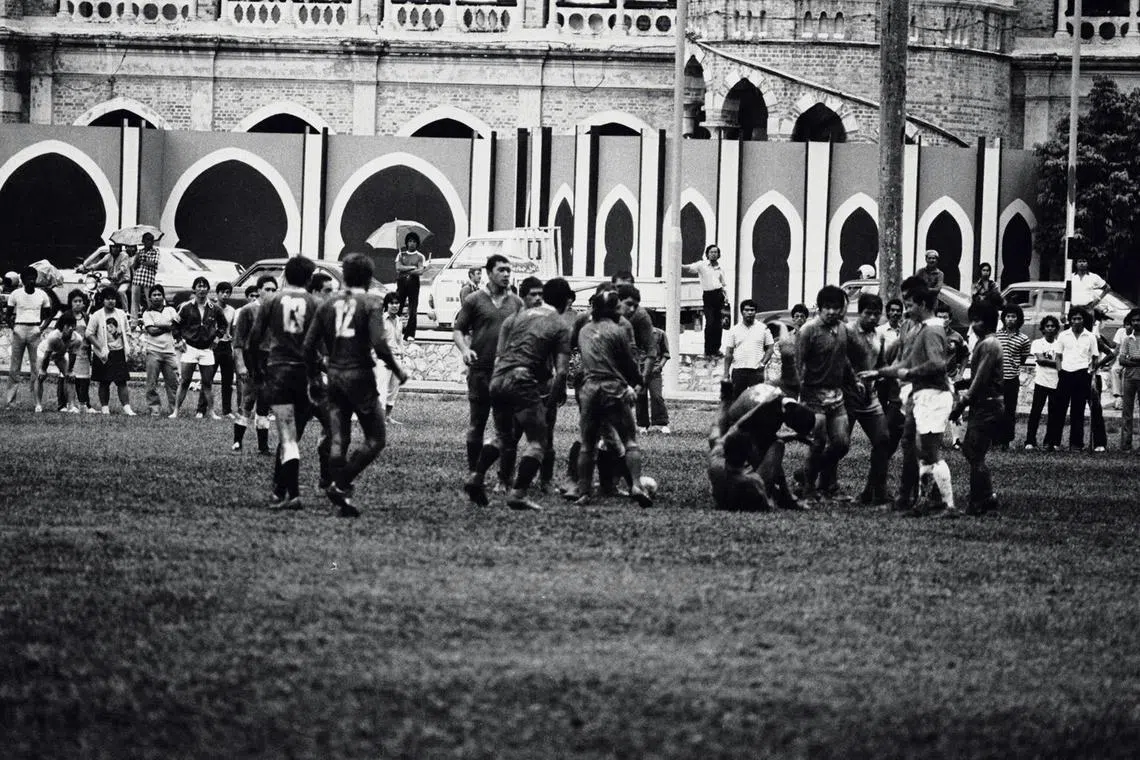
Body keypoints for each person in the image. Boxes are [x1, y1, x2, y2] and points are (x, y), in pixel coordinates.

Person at [303, 253, 407, 518]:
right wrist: (397, 368)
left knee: (340, 437)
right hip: (359, 375)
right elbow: (380, 343)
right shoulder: (371, 301)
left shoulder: (328, 304)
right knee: (376, 438)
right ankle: (341, 482)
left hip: (335, 376)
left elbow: (308, 345)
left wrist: (315, 377)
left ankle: (337, 492)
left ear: (345, 275)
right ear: (369, 277)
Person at [464, 277, 574, 511]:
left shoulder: (520, 316)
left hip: (498, 378)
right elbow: (562, 370)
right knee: (538, 441)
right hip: (522, 379)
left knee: (503, 437)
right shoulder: (560, 323)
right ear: (566, 301)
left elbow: (503, 351)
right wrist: (551, 401)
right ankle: (518, 493)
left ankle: (476, 477)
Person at [860, 276, 955, 516]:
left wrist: (908, 373)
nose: (907, 310)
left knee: (928, 451)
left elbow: (936, 364)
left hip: (934, 395)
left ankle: (946, 504)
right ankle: (920, 500)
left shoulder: (932, 329)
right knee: (915, 446)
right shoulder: (919, 328)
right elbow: (905, 361)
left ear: (922, 304)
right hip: (920, 393)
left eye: (910, 305)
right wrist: (880, 372)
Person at [562, 290, 653, 507]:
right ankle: (636, 486)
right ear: (614, 309)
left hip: (590, 388)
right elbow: (628, 363)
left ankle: (584, 491)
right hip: (614, 388)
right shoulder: (618, 331)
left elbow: (572, 347)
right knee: (630, 440)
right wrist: (638, 382)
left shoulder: (584, 330)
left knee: (588, 443)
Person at [249, 256, 320, 509]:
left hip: (278, 371)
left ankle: (291, 493)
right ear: (309, 279)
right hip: (304, 374)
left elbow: (253, 340)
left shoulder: (271, 300)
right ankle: (281, 490)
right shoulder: (315, 303)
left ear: (286, 276)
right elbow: (320, 346)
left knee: (287, 436)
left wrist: (256, 372)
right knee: (292, 435)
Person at [453, 254, 525, 490]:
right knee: (477, 423)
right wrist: (465, 349)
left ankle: (504, 479)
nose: (506, 274)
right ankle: (475, 474)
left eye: (509, 270)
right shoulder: (474, 300)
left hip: (506, 373)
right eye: (502, 269)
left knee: (508, 429)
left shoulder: (516, 303)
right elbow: (459, 329)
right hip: (480, 370)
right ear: (489, 272)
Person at [707, 382, 816, 511]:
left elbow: (732, 427)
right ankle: (786, 498)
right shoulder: (752, 481)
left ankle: (785, 497)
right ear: (747, 452)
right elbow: (769, 443)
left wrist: (726, 399)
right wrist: (784, 496)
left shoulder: (715, 459)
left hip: (723, 487)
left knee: (717, 434)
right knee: (777, 446)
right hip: (745, 497)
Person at [795, 285, 859, 501]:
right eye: (827, 307)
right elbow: (797, 365)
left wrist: (854, 380)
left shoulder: (842, 329)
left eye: (835, 308)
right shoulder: (808, 331)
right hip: (813, 396)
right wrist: (797, 398)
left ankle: (804, 475)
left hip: (837, 395)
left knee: (842, 443)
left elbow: (845, 359)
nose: (831, 312)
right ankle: (809, 489)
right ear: (819, 308)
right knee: (818, 442)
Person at [950, 300, 1004, 515]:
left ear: (988, 322)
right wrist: (958, 384)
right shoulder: (985, 342)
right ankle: (986, 496)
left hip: (987, 405)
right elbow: (976, 377)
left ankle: (979, 500)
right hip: (985, 404)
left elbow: (980, 380)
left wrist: (960, 404)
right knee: (973, 452)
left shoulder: (989, 344)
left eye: (977, 320)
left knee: (975, 452)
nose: (973, 325)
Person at [846, 293, 893, 505]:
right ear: (860, 312)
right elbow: (839, 361)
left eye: (877, 314)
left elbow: (882, 365)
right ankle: (820, 484)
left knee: (883, 440)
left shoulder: (880, 336)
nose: (873, 318)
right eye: (868, 313)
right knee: (838, 444)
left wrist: (884, 375)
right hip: (846, 397)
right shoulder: (847, 333)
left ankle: (875, 491)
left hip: (870, 397)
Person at [1043, 307, 1099, 452]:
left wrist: (1090, 371)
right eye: (1073, 319)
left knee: (1078, 410)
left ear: (1084, 320)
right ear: (1070, 320)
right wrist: (1060, 370)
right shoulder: (1063, 335)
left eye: (1079, 319)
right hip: (1065, 373)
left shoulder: (1090, 336)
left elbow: (1094, 357)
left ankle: (1076, 444)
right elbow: (1058, 356)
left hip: (1082, 374)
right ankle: (1054, 442)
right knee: (1059, 410)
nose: (1076, 321)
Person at [232, 277, 277, 454]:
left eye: (274, 290)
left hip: (270, 361)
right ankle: (237, 441)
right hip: (252, 359)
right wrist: (241, 365)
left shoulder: (276, 312)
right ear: (259, 290)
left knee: (265, 404)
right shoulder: (248, 310)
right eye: (268, 289)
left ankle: (263, 446)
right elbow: (238, 343)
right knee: (248, 400)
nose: (271, 293)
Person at [171, 276, 226, 419]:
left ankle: (212, 411)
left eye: (204, 286)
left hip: (207, 349)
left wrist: (217, 338)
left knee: (207, 382)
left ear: (208, 289)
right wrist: (179, 340)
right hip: (190, 348)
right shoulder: (186, 306)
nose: (202, 289)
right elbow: (175, 324)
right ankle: (176, 411)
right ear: (194, 289)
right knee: (184, 381)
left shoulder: (215, 308)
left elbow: (223, 325)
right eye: (199, 286)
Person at [5, 266, 53, 409]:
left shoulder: (42, 295)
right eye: (28, 278)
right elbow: (7, 315)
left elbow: (48, 314)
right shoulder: (15, 294)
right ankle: (10, 402)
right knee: (14, 367)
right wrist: (14, 328)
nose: (31, 280)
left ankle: (36, 402)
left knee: (36, 367)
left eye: (33, 277)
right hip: (19, 328)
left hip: (34, 329)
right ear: (23, 280)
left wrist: (41, 328)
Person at [86, 285, 136, 416]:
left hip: (119, 351)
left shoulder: (121, 314)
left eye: (113, 299)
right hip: (103, 353)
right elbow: (89, 334)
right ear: (103, 300)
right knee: (104, 381)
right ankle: (105, 407)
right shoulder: (97, 315)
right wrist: (100, 347)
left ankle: (127, 407)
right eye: (108, 299)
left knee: (122, 381)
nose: (111, 301)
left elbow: (127, 331)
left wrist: (128, 345)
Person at [722, 299, 775, 402]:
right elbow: (729, 353)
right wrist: (726, 373)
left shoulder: (763, 328)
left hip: (756, 371)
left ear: (755, 312)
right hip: (739, 371)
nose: (750, 313)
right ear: (742, 312)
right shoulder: (734, 330)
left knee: (756, 402)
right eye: (747, 310)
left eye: (752, 310)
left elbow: (770, 348)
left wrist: (763, 363)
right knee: (736, 401)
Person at [140, 284, 180, 417]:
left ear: (163, 296)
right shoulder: (147, 313)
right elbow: (151, 331)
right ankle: (154, 408)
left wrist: (160, 325)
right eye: (154, 295)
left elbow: (176, 327)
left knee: (173, 383)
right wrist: (167, 326)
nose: (157, 297)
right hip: (153, 351)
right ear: (150, 297)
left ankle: (174, 409)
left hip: (169, 351)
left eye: (159, 294)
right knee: (151, 383)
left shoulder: (171, 310)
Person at [994, 303, 1030, 449]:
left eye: (1013, 316)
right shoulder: (996, 335)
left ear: (1018, 319)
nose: (1010, 319)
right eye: (1008, 316)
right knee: (995, 409)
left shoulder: (1023, 339)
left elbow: (1023, 358)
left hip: (1012, 379)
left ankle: (1006, 440)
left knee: (1009, 410)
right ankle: (994, 439)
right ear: (1004, 318)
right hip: (996, 378)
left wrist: (1013, 366)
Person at [682, 244, 727, 357]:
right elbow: (689, 267)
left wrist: (726, 297)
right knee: (710, 322)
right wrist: (678, 263)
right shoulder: (702, 265)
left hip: (719, 295)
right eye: (711, 252)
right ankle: (708, 350)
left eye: (716, 252)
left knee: (718, 324)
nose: (713, 254)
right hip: (708, 296)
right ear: (707, 254)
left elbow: (723, 283)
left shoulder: (720, 268)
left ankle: (716, 349)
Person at [1024, 315, 1061, 450]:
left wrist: (1056, 363)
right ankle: (1030, 441)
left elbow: (1061, 362)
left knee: (1054, 413)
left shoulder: (1060, 344)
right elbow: (1040, 360)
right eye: (1047, 326)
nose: (1050, 329)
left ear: (1057, 329)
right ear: (1043, 329)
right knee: (1036, 412)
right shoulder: (1037, 343)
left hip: (1056, 382)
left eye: (1053, 326)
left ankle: (1049, 442)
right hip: (1041, 382)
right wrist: (1057, 363)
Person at [34, 311, 81, 413]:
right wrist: (43, 369)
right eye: (68, 325)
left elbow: (73, 356)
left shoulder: (77, 339)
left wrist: (70, 371)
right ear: (62, 326)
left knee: (70, 377)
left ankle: (72, 406)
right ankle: (38, 405)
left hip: (59, 354)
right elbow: (47, 355)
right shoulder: (53, 337)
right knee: (39, 376)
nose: (70, 328)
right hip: (44, 352)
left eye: (73, 325)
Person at [63, 289, 96, 413]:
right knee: (70, 378)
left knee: (84, 380)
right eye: (75, 301)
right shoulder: (66, 316)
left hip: (83, 351)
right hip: (70, 351)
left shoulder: (86, 317)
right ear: (70, 303)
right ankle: (68, 404)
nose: (78, 303)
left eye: (80, 301)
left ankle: (84, 404)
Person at [377, 291, 406, 424]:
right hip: (384, 359)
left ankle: (387, 416)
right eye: (392, 303)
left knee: (394, 389)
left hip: (397, 357)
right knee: (382, 388)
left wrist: (402, 353)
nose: (395, 306)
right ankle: (379, 418)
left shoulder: (399, 321)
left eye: (397, 303)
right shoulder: (381, 320)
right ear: (386, 305)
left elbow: (399, 340)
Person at [636, 326, 671, 434]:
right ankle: (643, 425)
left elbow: (666, 353)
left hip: (654, 371)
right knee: (640, 397)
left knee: (657, 396)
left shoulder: (660, 333)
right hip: (639, 371)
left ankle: (662, 424)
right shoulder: (634, 333)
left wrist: (660, 366)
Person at [395, 231, 426, 341]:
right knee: (397, 308)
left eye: (414, 241)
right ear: (406, 243)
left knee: (413, 310)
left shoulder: (420, 256)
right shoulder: (400, 254)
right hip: (401, 284)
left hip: (413, 285)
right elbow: (398, 268)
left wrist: (407, 269)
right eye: (410, 241)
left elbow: (420, 271)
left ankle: (409, 334)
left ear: (417, 243)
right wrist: (412, 268)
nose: (412, 243)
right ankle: (395, 332)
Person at [212, 282, 237, 418]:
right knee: (208, 378)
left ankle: (226, 410)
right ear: (217, 293)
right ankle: (202, 409)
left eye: (228, 292)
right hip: (214, 345)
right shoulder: (211, 308)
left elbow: (231, 329)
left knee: (227, 380)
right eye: (222, 292)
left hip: (226, 345)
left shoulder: (231, 310)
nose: (225, 295)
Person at [1117, 308, 1140, 451]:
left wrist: (1132, 358)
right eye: (1134, 321)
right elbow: (1121, 360)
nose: (1136, 323)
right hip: (1129, 378)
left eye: (1139, 320)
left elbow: (1128, 359)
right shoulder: (1127, 339)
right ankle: (1126, 445)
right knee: (1127, 412)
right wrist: (1136, 361)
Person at [776, 303, 809, 397]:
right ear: (793, 319)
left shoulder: (809, 335)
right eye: (797, 316)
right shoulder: (788, 336)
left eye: (802, 316)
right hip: (791, 371)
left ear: (805, 319)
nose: (799, 318)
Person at [130, 233, 160, 322]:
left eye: (151, 240)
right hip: (138, 278)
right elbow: (134, 266)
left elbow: (153, 263)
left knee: (150, 300)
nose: (150, 242)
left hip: (148, 279)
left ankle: (152, 320)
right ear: (143, 241)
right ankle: (133, 321)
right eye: (147, 240)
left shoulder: (155, 251)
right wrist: (136, 259)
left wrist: (142, 261)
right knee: (134, 301)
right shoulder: (140, 252)